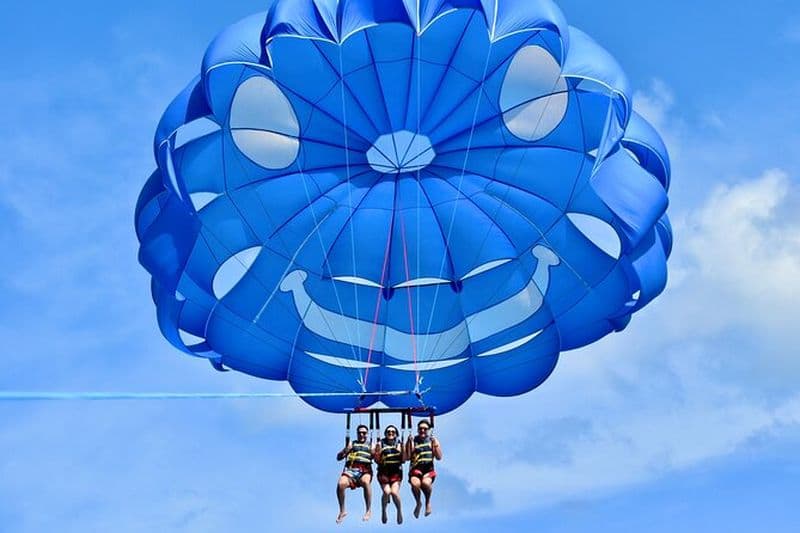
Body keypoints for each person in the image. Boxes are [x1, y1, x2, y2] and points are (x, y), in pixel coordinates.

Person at [336, 424, 373, 524]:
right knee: (340, 484)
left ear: (367, 434)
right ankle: (342, 510)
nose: (362, 435)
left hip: (365, 470)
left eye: (364, 433)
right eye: (360, 433)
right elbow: (339, 457)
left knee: (366, 482)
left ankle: (368, 510)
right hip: (351, 470)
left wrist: (376, 452)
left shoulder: (371, 444)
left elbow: (377, 458)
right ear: (357, 434)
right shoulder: (352, 443)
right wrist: (345, 450)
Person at [406, 419, 442, 518]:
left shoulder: (432, 441)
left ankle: (428, 503)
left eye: (425, 429)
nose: (422, 430)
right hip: (416, 468)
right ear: (417, 429)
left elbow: (439, 457)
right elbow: (408, 457)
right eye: (420, 429)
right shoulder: (413, 440)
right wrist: (408, 443)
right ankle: (418, 503)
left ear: (428, 430)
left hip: (428, 469)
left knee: (425, 483)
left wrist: (436, 445)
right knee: (415, 483)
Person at [373, 425, 404, 524]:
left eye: (393, 432)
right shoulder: (381, 443)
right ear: (385, 433)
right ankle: (384, 511)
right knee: (387, 492)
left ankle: (399, 511)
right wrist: (378, 451)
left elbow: (403, 459)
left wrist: (402, 449)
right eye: (388, 431)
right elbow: (376, 460)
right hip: (384, 472)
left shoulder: (399, 443)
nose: (390, 433)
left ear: (396, 434)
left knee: (394, 492)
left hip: (396, 472)